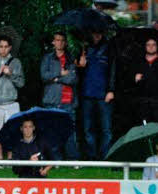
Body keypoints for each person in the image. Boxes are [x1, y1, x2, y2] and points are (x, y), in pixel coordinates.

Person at [78, 30, 116, 160]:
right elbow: (76, 72)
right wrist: (80, 65)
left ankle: (106, 157)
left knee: (106, 129)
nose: (97, 34)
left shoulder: (109, 48)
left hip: (103, 95)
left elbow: (113, 69)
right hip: (87, 94)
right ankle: (91, 157)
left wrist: (111, 90)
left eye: (99, 31)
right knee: (88, 128)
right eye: (94, 32)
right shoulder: (84, 48)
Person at [40, 31, 78, 160]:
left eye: (62, 40)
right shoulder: (47, 58)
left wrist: (57, 78)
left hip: (68, 101)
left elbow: (73, 79)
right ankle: (55, 159)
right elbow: (44, 76)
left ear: (65, 42)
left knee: (69, 132)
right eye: (57, 40)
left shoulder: (71, 58)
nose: (59, 42)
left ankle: (73, 160)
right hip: (52, 100)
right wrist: (61, 73)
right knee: (51, 131)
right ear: (53, 42)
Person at [131, 37, 158, 124]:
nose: (151, 47)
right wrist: (134, 78)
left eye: (153, 45)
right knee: (145, 130)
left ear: (157, 46)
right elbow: (128, 82)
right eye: (148, 45)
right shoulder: (138, 62)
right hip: (143, 103)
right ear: (145, 47)